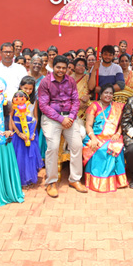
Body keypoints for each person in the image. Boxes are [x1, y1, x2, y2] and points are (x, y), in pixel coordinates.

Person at [38, 55, 86, 197]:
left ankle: (75, 179)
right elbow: (43, 106)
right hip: (52, 118)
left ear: (67, 69)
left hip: (69, 118)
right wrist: (60, 119)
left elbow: (75, 101)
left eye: (64, 68)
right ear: (53, 67)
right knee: (52, 148)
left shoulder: (70, 81)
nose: (61, 70)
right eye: (58, 67)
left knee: (77, 145)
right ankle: (51, 182)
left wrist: (70, 117)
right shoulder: (45, 82)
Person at [82, 84, 128, 192]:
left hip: (113, 137)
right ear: (101, 94)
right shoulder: (94, 106)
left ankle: (116, 181)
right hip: (96, 136)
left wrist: (118, 133)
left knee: (115, 147)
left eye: (111, 93)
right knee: (99, 148)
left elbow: (122, 123)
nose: (108, 95)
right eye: (106, 93)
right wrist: (93, 138)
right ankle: (97, 181)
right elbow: (88, 125)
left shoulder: (117, 107)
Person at [0, 100, 24, 207]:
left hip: (7, 147)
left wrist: (9, 133)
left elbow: (12, 132)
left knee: (8, 167)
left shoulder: (8, 118)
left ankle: (10, 190)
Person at [10, 91, 44, 188]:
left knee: (27, 155)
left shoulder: (31, 103)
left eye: (22, 98)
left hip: (29, 131)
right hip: (17, 133)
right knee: (18, 155)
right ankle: (17, 179)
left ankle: (26, 178)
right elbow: (10, 118)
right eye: (17, 98)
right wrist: (18, 132)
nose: (19, 100)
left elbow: (35, 118)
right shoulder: (13, 106)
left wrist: (32, 132)